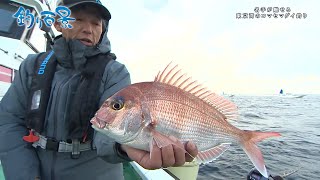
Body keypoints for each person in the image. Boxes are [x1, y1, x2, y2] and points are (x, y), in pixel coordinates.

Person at [0, 0, 198, 180]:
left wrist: (122, 146)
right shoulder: (32, 65)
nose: (88, 29)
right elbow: (8, 121)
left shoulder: (114, 72)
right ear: (59, 24)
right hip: (36, 167)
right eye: (78, 20)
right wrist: (25, 174)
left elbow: (109, 128)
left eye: (96, 23)